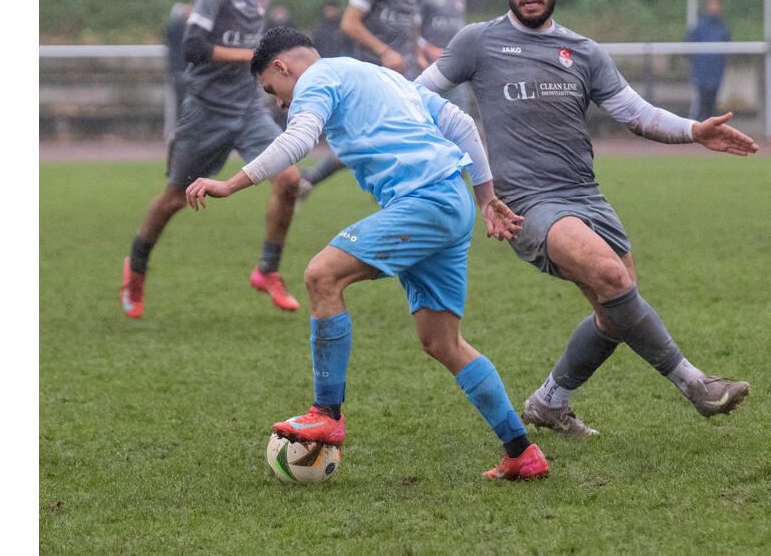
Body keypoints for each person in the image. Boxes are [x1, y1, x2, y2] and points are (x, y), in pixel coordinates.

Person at [415, 0, 759, 438]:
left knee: (616, 311)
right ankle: (697, 385)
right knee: (612, 280)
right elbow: (415, 98)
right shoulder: (478, 42)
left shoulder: (583, 51)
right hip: (527, 205)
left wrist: (694, 130)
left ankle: (550, 401)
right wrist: (472, 176)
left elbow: (634, 113)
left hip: (586, 196)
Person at [185, 27, 550, 480]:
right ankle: (521, 452)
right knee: (442, 342)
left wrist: (231, 182)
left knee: (323, 275)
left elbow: (298, 140)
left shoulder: (316, 78)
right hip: (450, 204)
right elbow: (457, 121)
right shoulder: (383, 77)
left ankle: (327, 412)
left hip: (424, 201)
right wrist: (484, 197)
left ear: (283, 67)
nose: (279, 102)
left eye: (271, 90)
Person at [119, 0, 302, 319]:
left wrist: (273, 84)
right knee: (172, 200)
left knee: (289, 179)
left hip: (249, 110)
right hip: (205, 112)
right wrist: (253, 56)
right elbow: (195, 49)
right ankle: (136, 268)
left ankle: (268, 271)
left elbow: (257, 54)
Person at [299, 0, 426, 196]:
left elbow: (412, 27)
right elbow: (350, 23)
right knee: (373, 140)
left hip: (407, 75)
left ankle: (311, 179)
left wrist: (418, 55)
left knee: (381, 140)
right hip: (375, 74)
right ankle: (312, 179)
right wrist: (385, 52)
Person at [417, 0, 474, 114]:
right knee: (428, 114)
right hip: (428, 67)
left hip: (456, 67)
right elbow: (409, 29)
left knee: (460, 115)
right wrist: (426, 49)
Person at [685, 0, 731, 121]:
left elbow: (727, 48)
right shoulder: (700, 25)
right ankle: (697, 127)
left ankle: (709, 129)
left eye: (716, 4)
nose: (714, 7)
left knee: (712, 102)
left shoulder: (722, 27)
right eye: (711, 4)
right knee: (700, 102)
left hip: (716, 72)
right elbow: (690, 45)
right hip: (701, 72)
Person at [165, 2, 192, 130]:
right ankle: (180, 129)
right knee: (181, 104)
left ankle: (177, 130)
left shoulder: (173, 27)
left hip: (178, 70)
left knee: (179, 104)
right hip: (182, 70)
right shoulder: (180, 27)